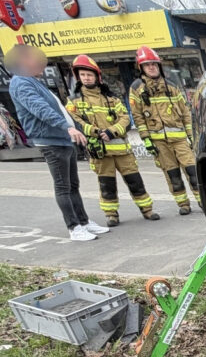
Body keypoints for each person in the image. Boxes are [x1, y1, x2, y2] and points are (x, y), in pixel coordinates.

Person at [5, 44, 109, 242]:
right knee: (63, 186)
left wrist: (76, 130)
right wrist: (66, 127)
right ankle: (74, 227)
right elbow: (40, 109)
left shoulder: (33, 82)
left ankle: (84, 222)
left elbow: (58, 109)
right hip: (51, 141)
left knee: (73, 185)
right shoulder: (21, 82)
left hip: (63, 140)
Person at [66, 54, 160, 227]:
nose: (86, 78)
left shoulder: (112, 99)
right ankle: (111, 215)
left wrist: (112, 131)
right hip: (101, 153)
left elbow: (125, 118)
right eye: (83, 75)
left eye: (89, 75)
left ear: (97, 77)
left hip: (122, 150)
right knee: (107, 186)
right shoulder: (74, 101)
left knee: (135, 181)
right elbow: (74, 122)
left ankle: (147, 210)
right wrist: (94, 131)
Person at [129, 46, 200, 215]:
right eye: (147, 65)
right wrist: (146, 139)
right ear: (141, 68)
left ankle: (202, 201)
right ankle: (183, 204)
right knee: (173, 175)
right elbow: (138, 116)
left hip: (180, 139)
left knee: (193, 171)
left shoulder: (172, 86)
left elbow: (185, 113)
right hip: (159, 141)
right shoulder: (137, 88)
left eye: (154, 64)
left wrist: (191, 136)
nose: (151, 67)